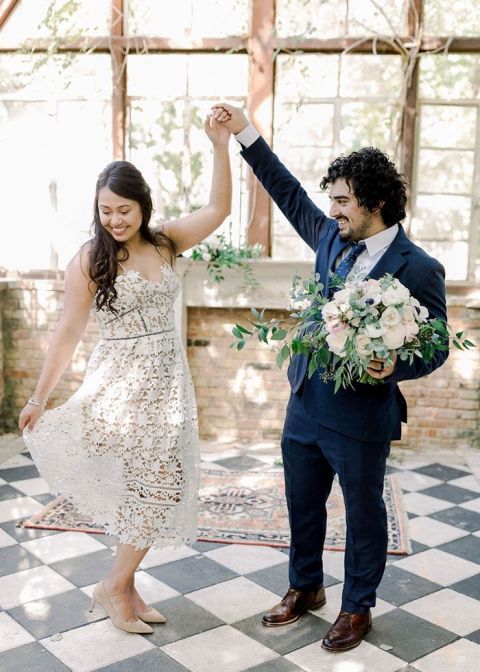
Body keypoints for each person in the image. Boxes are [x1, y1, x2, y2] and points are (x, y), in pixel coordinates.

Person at [210, 103, 448, 652]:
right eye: (333, 200)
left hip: (363, 415)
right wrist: (244, 131)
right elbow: (286, 189)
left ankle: (357, 606)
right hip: (305, 402)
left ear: (376, 203)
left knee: (365, 513)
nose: (332, 209)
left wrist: (396, 366)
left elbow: (435, 348)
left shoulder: (419, 268)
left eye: (343, 200)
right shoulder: (329, 236)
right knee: (301, 502)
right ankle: (306, 586)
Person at [19, 113, 232, 635]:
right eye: (105, 210)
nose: (114, 219)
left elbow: (218, 208)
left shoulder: (164, 244)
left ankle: (125, 586)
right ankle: (114, 586)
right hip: (123, 386)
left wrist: (219, 145)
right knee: (157, 485)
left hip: (169, 387)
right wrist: (40, 398)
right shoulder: (91, 259)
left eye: (124, 210)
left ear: (143, 207)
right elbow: (67, 333)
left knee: (154, 486)